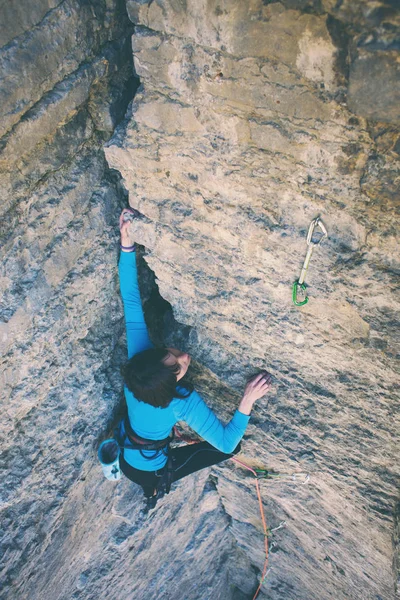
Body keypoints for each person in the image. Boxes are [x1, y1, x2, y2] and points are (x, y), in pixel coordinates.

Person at [117, 208, 272, 510]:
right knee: (231, 448)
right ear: (171, 387)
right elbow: (227, 443)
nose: (183, 355)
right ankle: (153, 491)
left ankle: (151, 489)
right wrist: (247, 400)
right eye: (179, 367)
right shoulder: (181, 402)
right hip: (148, 467)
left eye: (170, 353)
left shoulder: (141, 359)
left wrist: (126, 242)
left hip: (129, 460)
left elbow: (130, 297)